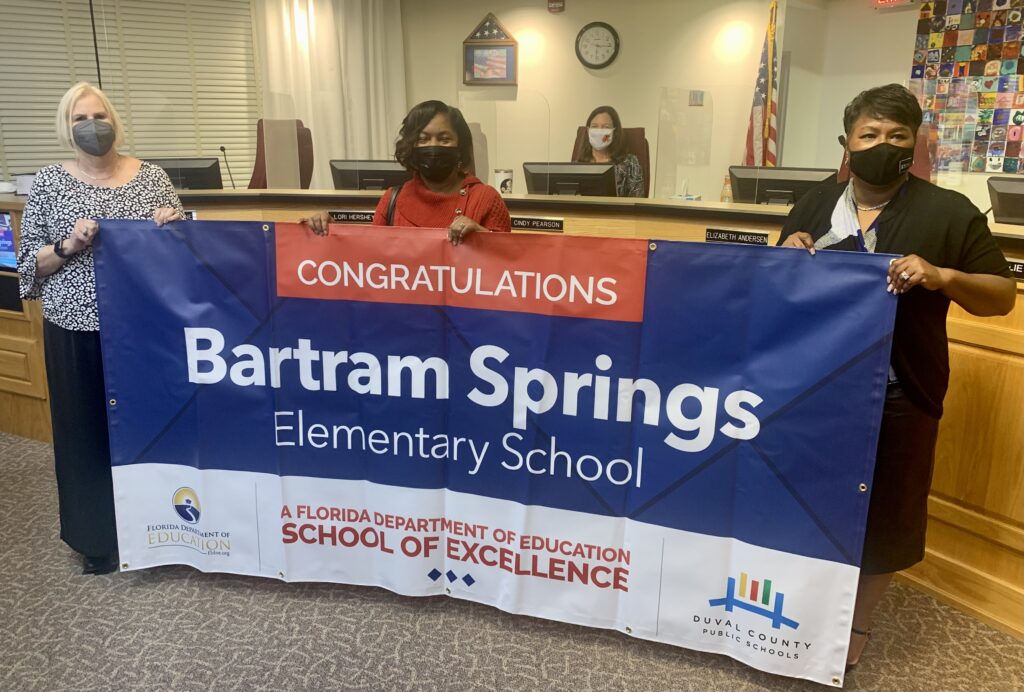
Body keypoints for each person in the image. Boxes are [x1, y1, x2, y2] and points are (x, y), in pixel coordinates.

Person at [778, 83, 1015, 667]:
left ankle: (853, 631)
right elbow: (773, 283)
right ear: (847, 144)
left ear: (914, 145)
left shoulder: (947, 212)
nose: (882, 146)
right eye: (869, 135)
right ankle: (801, 607)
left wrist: (943, 277)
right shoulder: (815, 205)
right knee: (805, 502)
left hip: (898, 391)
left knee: (887, 513)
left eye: (896, 136)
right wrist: (782, 250)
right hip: (816, 389)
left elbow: (1002, 296)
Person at [16, 82, 185, 575]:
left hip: (142, 328)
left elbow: (183, 252)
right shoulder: (48, 184)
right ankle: (95, 539)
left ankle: (161, 528)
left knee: (150, 430)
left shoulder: (150, 177)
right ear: (66, 130)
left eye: (98, 115)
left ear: (114, 119)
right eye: (79, 119)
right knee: (84, 434)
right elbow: (29, 268)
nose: (91, 126)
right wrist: (68, 244)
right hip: (75, 328)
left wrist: (172, 226)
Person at [303, 100, 511, 242]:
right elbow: (370, 259)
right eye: (423, 139)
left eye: (444, 139)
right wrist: (330, 232)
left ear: (460, 147)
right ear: (411, 146)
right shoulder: (392, 200)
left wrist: (482, 236)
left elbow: (510, 267)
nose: (433, 145)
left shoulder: (486, 199)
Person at [574, 105, 645, 198]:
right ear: (588, 131)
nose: (599, 131)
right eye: (594, 126)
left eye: (605, 127)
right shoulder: (577, 165)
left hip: (618, 212)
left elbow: (637, 202)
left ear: (614, 132)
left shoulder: (630, 163)